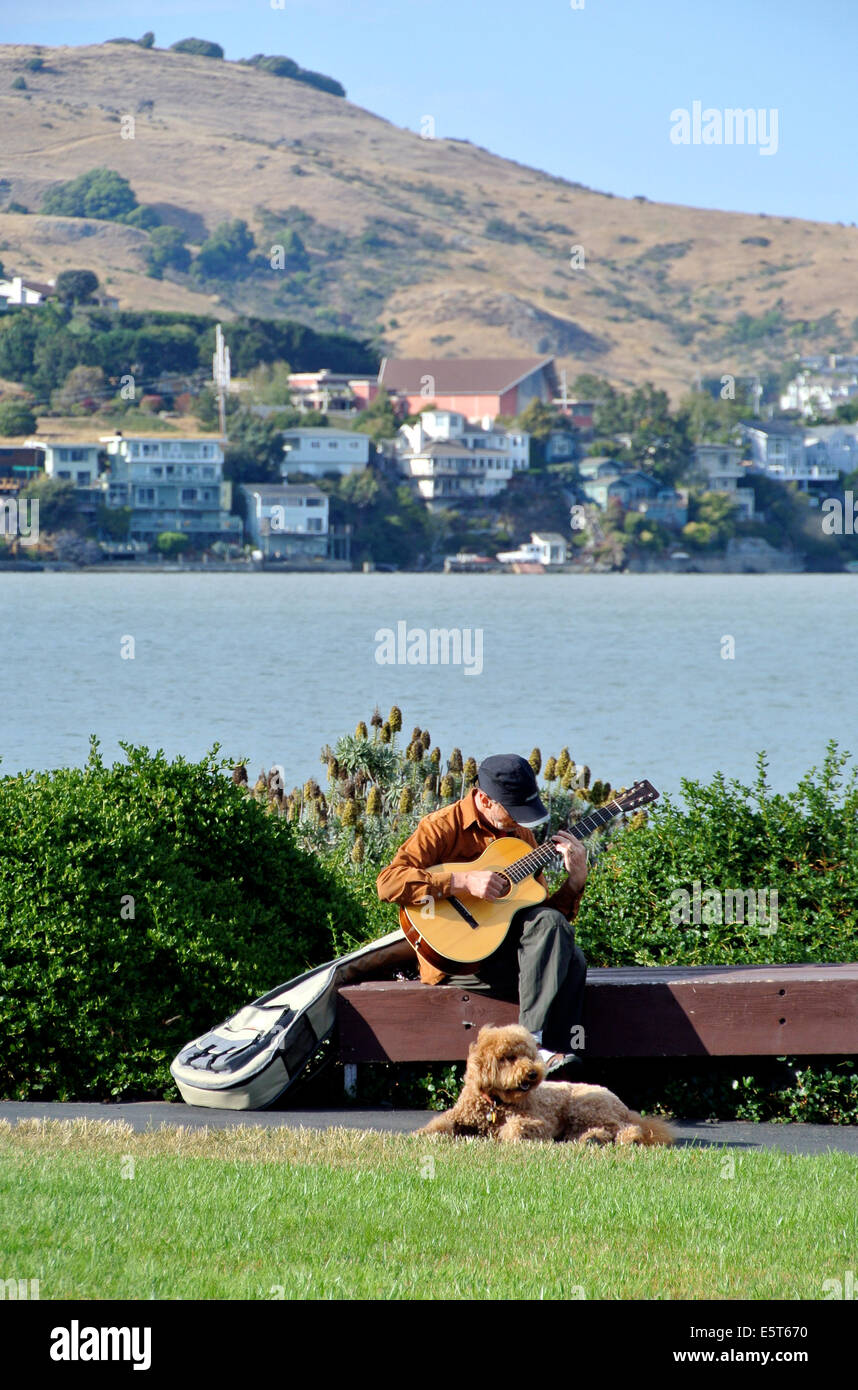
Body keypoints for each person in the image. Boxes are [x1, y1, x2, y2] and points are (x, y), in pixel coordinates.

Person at [376, 753, 589, 1077]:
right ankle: (532, 1053)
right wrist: (461, 882)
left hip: (504, 957)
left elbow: (548, 926)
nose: (520, 821)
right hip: (458, 960)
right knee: (570, 962)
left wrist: (574, 883)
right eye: (513, 812)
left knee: (570, 954)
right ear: (484, 799)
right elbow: (388, 883)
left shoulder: (520, 837)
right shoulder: (441, 827)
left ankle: (544, 1056)